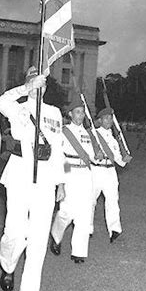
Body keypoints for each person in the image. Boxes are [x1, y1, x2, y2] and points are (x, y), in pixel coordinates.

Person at [0, 67, 65, 291]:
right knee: (14, 232)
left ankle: (30, 288)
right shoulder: (18, 106)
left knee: (39, 233)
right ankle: (8, 265)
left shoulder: (55, 112)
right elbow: (0, 101)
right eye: (36, 82)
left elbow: (59, 149)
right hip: (20, 174)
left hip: (45, 177)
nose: (40, 87)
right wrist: (26, 88)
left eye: (43, 83)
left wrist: (61, 182)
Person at [50, 97, 102, 264]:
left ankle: (79, 251)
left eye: (82, 113)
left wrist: (98, 155)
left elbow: (94, 157)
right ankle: (56, 236)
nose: (80, 116)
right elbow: (59, 157)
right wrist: (62, 180)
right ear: (70, 114)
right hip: (69, 171)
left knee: (85, 212)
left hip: (86, 174)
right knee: (66, 211)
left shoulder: (89, 134)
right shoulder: (63, 131)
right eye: (77, 112)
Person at [90, 107, 132, 243]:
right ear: (100, 120)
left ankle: (115, 229)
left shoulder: (114, 140)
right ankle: (88, 227)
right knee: (90, 201)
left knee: (113, 200)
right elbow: (88, 154)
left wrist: (124, 160)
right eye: (106, 118)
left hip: (110, 172)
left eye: (110, 118)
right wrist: (95, 156)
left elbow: (118, 159)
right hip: (96, 171)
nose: (109, 121)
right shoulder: (93, 135)